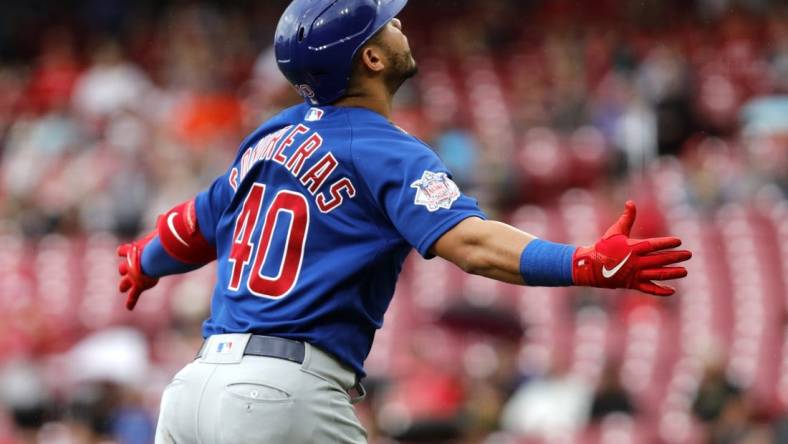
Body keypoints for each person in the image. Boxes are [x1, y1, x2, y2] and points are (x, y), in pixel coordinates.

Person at [116, 1, 692, 442]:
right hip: (281, 395)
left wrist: (143, 262)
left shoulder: (270, 137)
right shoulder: (385, 147)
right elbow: (469, 242)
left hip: (192, 392)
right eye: (389, 23)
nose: (401, 27)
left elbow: (192, 225)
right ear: (369, 57)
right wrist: (579, 263)